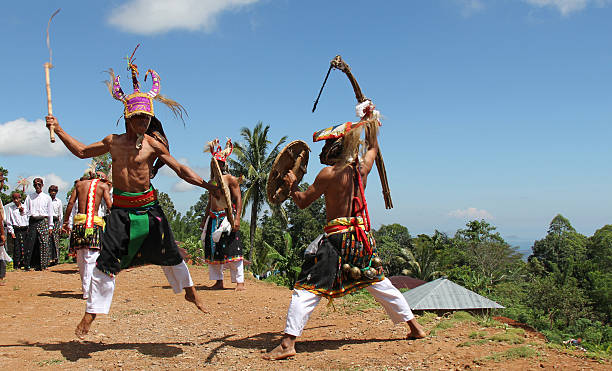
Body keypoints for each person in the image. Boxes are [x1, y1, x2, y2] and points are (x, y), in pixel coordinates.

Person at [46, 49, 220, 339]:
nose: (144, 123)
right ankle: (91, 313)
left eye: (147, 119)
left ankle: (190, 292)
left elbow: (180, 169)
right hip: (121, 211)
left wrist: (206, 185)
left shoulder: (154, 145)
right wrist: (60, 129)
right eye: (139, 118)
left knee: (172, 253)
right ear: (128, 117)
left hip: (149, 208)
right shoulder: (112, 142)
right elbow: (80, 152)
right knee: (106, 259)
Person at [264, 101, 426, 360]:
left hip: (337, 240)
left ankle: (287, 344)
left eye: (327, 145)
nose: (323, 150)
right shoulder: (361, 169)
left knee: (307, 289)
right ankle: (415, 327)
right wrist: (371, 120)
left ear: (336, 148)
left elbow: (304, 202)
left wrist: (293, 185)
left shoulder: (328, 174)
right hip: (361, 239)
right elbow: (373, 146)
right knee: (380, 283)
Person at [200, 138, 244, 290]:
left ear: (224, 164)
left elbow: (238, 199)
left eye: (218, 163)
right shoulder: (212, 182)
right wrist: (205, 219)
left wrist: (236, 218)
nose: (216, 166)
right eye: (214, 163)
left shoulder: (231, 179)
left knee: (232, 249)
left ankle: (240, 282)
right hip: (213, 219)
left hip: (227, 219)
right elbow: (210, 202)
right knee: (213, 252)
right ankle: (218, 281)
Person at [63, 174, 112, 299]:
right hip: (94, 224)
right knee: (91, 258)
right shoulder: (102, 186)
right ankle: (88, 291)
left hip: (79, 224)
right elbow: (109, 205)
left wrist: (65, 222)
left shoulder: (79, 184)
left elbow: (70, 203)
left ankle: (86, 289)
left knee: (81, 258)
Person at [23, 178, 54, 271]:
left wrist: (50, 226)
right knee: (30, 243)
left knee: (44, 243)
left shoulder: (47, 198)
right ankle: (28, 264)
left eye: (39, 184)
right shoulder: (29, 197)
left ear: (42, 185)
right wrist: (22, 211)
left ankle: (43, 265)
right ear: (33, 186)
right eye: (35, 185)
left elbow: (50, 213)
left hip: (43, 221)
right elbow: (25, 210)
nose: (37, 186)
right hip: (32, 221)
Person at [5, 192, 29, 268]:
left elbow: (27, 217)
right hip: (17, 229)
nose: (16, 200)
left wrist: (22, 211)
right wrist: (11, 231)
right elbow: (9, 221)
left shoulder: (25, 207)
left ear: (20, 199)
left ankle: (25, 263)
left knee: (26, 246)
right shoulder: (11, 208)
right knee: (17, 247)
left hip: (25, 228)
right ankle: (16, 264)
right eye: (14, 199)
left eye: (17, 198)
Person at [48, 185, 63, 265]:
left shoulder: (58, 201)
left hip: (56, 221)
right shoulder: (47, 200)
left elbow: (60, 214)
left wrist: (61, 226)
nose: (53, 192)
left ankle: (56, 258)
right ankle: (49, 258)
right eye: (51, 191)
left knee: (56, 240)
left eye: (54, 191)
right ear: (49, 192)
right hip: (48, 221)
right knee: (48, 240)